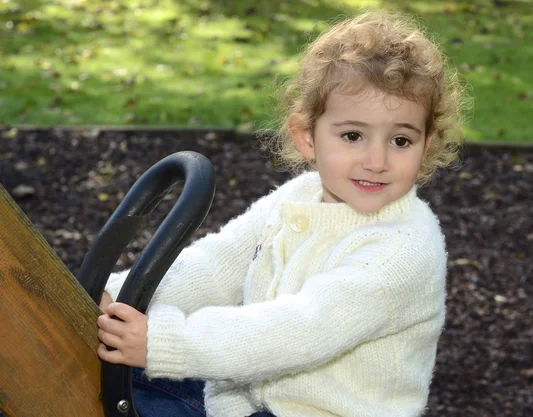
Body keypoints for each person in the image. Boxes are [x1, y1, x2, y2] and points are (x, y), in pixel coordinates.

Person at [96, 10, 468, 417]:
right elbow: (216, 264)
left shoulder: (403, 252)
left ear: (426, 145)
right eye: (352, 136)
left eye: (400, 140)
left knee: (136, 367)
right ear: (307, 136)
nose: (376, 160)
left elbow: (299, 328)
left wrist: (163, 342)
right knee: (106, 367)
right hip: (245, 400)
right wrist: (122, 295)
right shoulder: (299, 197)